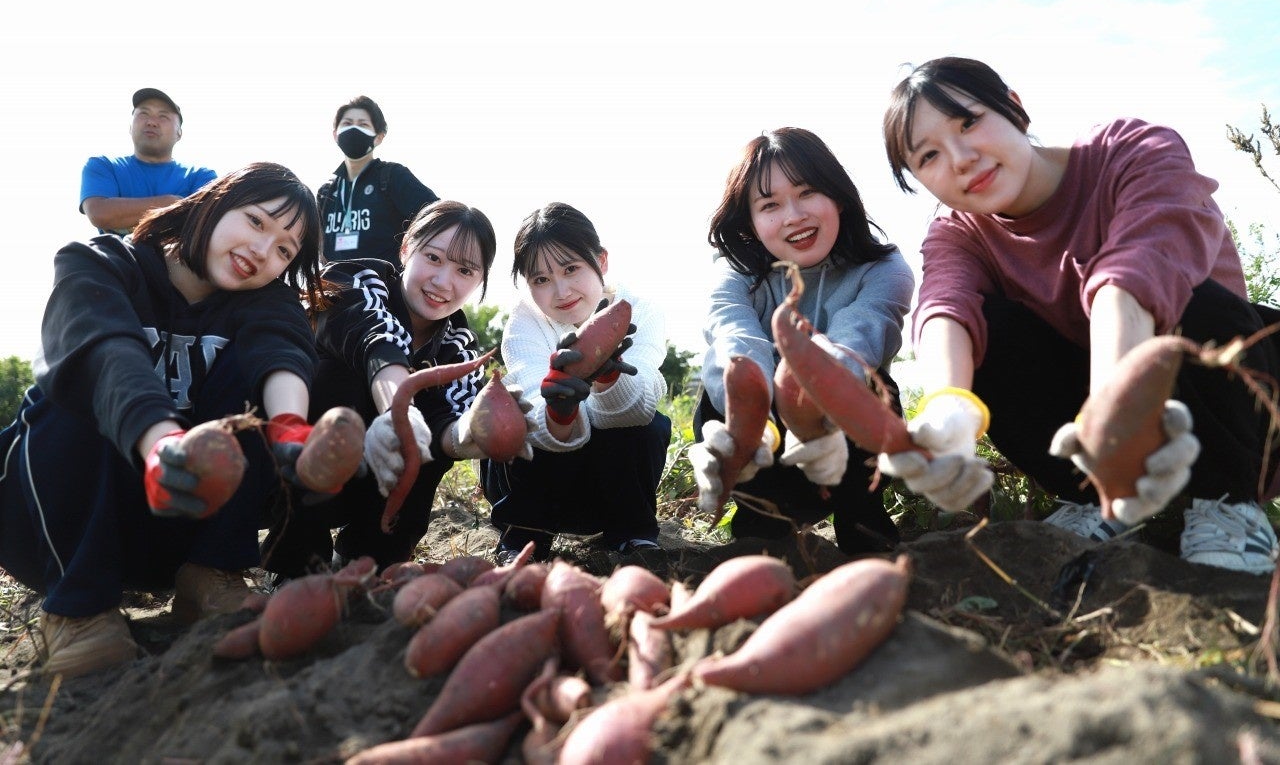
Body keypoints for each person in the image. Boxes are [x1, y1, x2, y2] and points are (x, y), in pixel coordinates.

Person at [877, 55, 1280, 574]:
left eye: (969, 121)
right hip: (1097, 426)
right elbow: (944, 307)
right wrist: (947, 412)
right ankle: (1097, 501)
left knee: (1186, 299)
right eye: (928, 156)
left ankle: (1231, 506)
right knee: (988, 331)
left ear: (1015, 109)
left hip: (1239, 396)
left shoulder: (1131, 151)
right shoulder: (959, 233)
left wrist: (1111, 416)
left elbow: (1133, 275)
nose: (959, 158)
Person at [0, 162, 361, 677]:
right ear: (212, 203)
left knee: (255, 379)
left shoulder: (264, 302)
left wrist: (291, 432)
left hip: (176, 519)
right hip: (53, 521)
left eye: (284, 250)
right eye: (256, 222)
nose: (263, 252)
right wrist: (162, 445)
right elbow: (110, 358)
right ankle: (79, 611)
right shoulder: (96, 263)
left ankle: (210, 573)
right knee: (79, 391)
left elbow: (281, 352)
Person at [261, 200, 534, 578]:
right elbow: (375, 339)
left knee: (431, 439)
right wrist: (397, 412)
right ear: (407, 248)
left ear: (480, 280)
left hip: (380, 483)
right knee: (341, 380)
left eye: (464, 270)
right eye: (434, 258)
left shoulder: (459, 346)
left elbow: (450, 422)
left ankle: (373, 557)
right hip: (283, 471)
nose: (443, 282)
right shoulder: (356, 281)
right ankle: (297, 563)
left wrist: (468, 432)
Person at [689, 127, 915, 555]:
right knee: (723, 385)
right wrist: (751, 429)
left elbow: (860, 337)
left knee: (867, 384)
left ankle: (862, 520)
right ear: (750, 223)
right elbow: (732, 334)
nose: (794, 215)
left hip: (846, 430)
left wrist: (813, 414)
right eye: (769, 204)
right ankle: (760, 519)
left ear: (839, 197)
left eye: (807, 192)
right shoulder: (733, 273)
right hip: (764, 442)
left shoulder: (883, 267)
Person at [483, 202, 670, 566]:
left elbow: (640, 407)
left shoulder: (640, 311)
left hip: (607, 492)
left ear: (601, 262)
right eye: (541, 279)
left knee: (653, 424)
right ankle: (523, 537)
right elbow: (535, 410)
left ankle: (631, 534)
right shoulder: (524, 325)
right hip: (539, 488)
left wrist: (608, 376)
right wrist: (558, 409)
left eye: (571, 269)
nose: (561, 291)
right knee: (511, 410)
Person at [317, 95, 438, 264]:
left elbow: (439, 217)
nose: (353, 129)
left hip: (384, 287)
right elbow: (321, 247)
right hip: (338, 287)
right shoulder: (326, 192)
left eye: (363, 124)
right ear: (336, 135)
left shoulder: (393, 176)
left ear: (379, 137)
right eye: (347, 123)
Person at [80, 88, 218, 236]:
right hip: (118, 258)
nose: (152, 122)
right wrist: (172, 203)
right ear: (130, 126)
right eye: (143, 113)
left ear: (179, 133)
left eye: (163, 116)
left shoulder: (202, 177)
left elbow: (205, 225)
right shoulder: (103, 166)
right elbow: (100, 213)